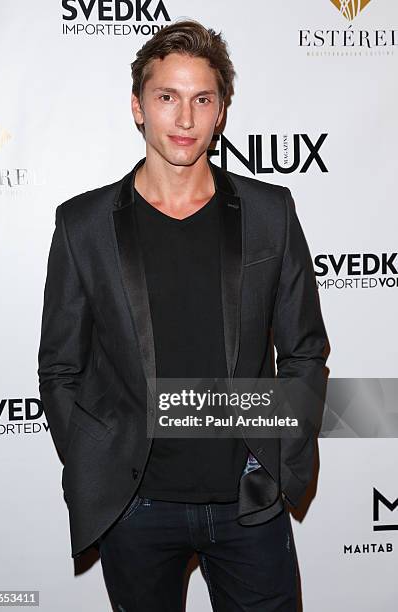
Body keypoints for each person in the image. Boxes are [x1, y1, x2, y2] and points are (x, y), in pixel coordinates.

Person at [38, 18, 329, 612]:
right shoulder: (84, 226)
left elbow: (304, 351)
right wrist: (100, 460)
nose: (186, 118)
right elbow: (60, 368)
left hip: (248, 498)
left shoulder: (269, 213)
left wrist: (273, 460)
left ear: (221, 111)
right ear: (138, 106)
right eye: (167, 97)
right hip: (136, 506)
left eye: (203, 99)